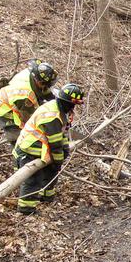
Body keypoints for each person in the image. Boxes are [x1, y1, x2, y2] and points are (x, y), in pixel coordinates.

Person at [13, 83, 84, 215]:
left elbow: (62, 133)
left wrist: (65, 149)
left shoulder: (61, 110)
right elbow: (55, 141)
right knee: (33, 179)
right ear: (65, 102)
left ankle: (46, 196)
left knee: (51, 171)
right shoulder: (52, 115)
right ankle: (26, 209)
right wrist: (58, 158)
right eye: (72, 104)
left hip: (42, 146)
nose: (73, 107)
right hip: (31, 147)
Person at [0, 59, 57, 143]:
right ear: (40, 82)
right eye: (46, 85)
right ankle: (17, 151)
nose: (47, 87)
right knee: (20, 136)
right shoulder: (25, 97)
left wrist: (54, 100)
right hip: (5, 109)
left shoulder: (33, 73)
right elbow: (30, 120)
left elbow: (45, 91)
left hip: (14, 97)